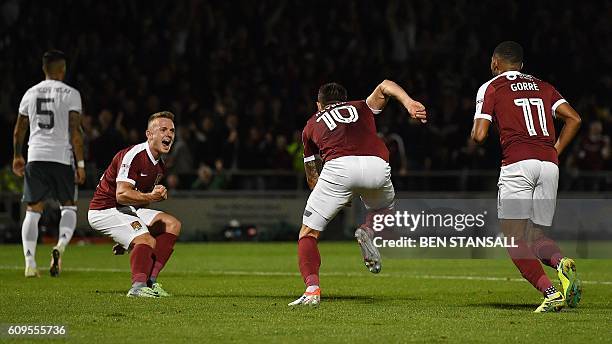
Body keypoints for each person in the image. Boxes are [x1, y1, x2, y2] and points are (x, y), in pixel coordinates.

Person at [289, 81, 427, 306]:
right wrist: (409, 103)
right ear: (344, 100)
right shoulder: (361, 107)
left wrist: (338, 196)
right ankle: (368, 231)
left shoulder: (311, 124)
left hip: (339, 169)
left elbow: (313, 177)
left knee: (308, 234)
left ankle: (312, 289)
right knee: (385, 212)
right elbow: (385, 86)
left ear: (318, 105)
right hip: (377, 165)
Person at [471, 41, 583, 313]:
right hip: (549, 164)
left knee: (513, 237)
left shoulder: (491, 87)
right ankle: (560, 262)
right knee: (533, 234)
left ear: (495, 63)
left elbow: (479, 135)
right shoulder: (544, 86)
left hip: (518, 163)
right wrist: (554, 150)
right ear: (521, 65)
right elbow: (575, 119)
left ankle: (550, 292)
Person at [88, 111, 181, 298]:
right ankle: (137, 287)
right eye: (163, 129)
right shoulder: (134, 155)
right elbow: (122, 195)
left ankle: (150, 282)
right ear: (149, 134)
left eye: (171, 130)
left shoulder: (159, 165)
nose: (169, 135)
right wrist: (152, 198)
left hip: (126, 210)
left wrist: (127, 235)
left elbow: (139, 200)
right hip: (104, 209)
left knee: (172, 225)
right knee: (146, 239)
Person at [12, 50, 86, 278]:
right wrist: (80, 163)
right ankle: (60, 247)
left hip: (35, 156)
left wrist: (17, 156)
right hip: (61, 158)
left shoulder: (29, 93)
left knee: (33, 211)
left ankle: (30, 263)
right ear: (62, 69)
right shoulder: (72, 94)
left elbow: (19, 130)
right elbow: (75, 132)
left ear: (44, 69)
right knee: (69, 206)